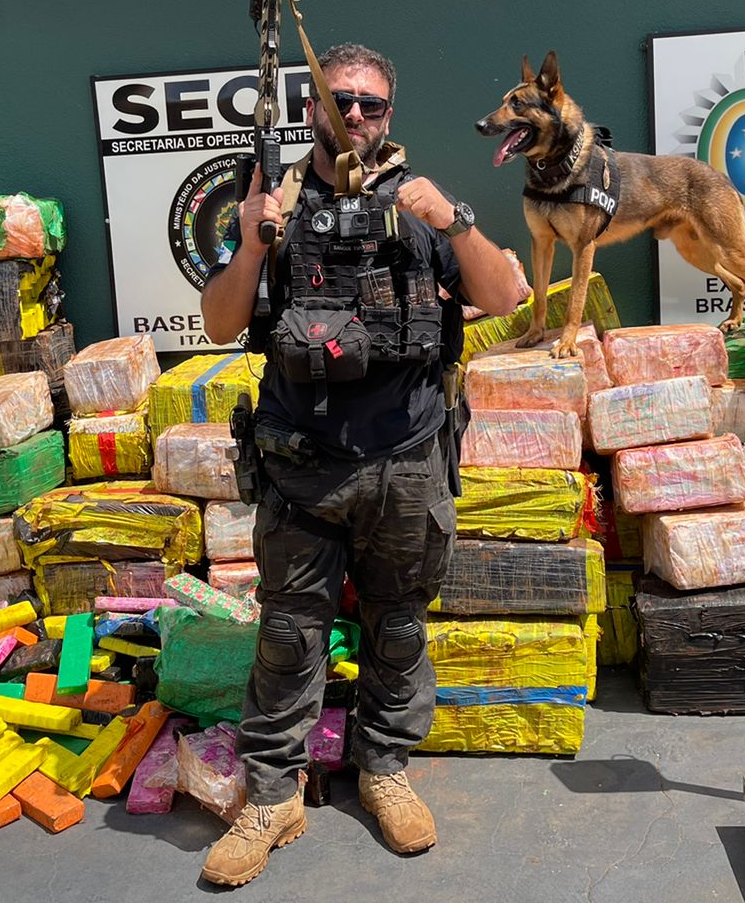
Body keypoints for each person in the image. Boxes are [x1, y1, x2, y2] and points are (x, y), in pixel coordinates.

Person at [199, 43, 523, 887]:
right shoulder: (273, 204)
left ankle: (384, 770)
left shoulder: (421, 204)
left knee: (400, 628)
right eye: (339, 100)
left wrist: (456, 221)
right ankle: (273, 796)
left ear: (390, 112)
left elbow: (505, 299)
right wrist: (247, 245)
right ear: (312, 106)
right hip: (302, 468)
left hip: (406, 460)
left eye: (371, 104)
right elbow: (220, 327)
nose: (355, 115)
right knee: (285, 636)